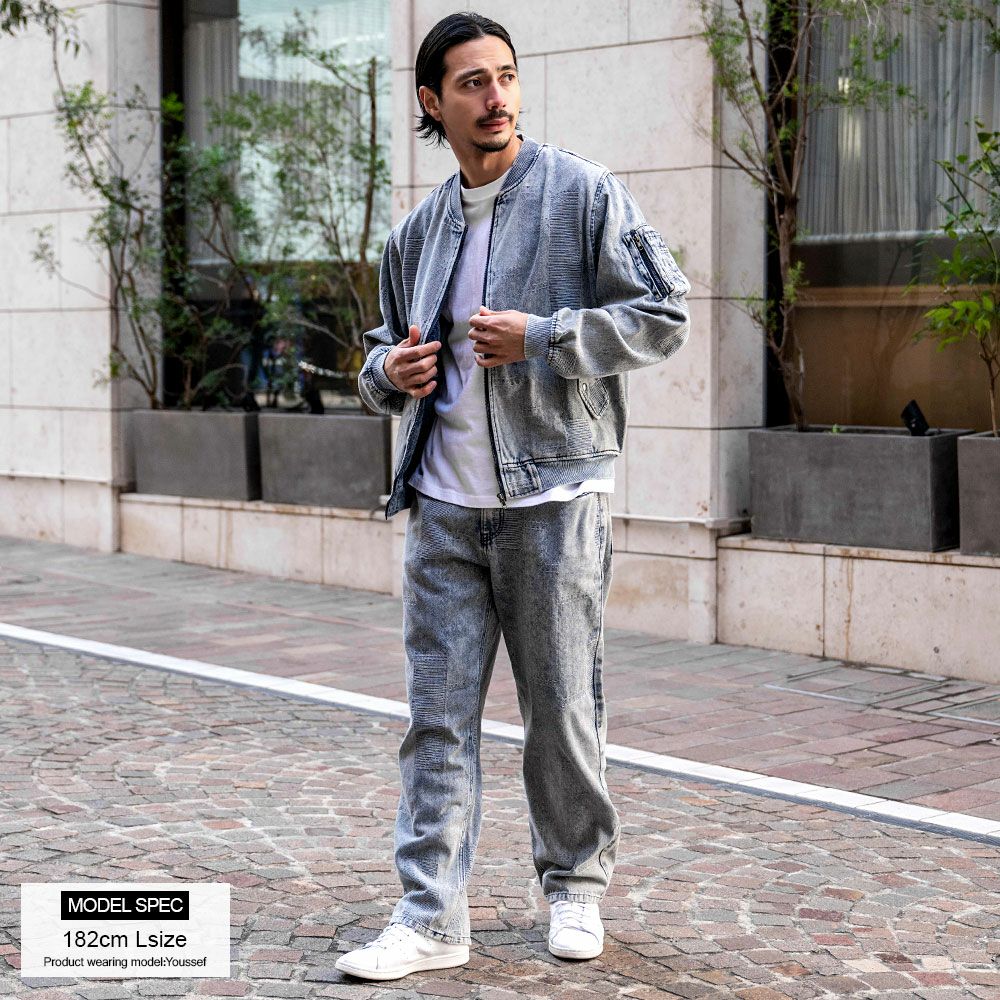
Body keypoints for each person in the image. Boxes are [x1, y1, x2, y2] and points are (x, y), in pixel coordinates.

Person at [335, 10, 691, 983]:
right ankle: (429, 917)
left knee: (561, 712)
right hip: (443, 511)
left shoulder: (582, 194)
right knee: (435, 722)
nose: (495, 98)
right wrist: (389, 373)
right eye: (471, 83)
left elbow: (664, 313)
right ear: (432, 102)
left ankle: (574, 884)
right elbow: (379, 354)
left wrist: (544, 336)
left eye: (505, 77)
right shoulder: (417, 232)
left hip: (553, 502)